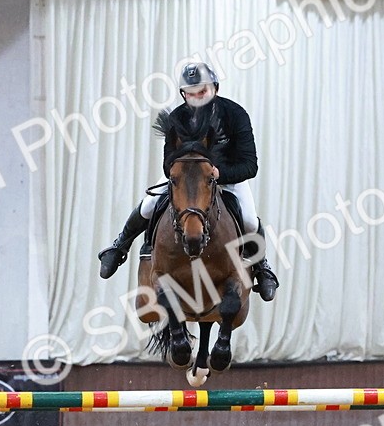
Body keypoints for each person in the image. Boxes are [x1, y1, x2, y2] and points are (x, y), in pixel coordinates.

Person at [97, 62, 279, 301]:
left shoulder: (235, 114)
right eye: (190, 93)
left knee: (249, 220)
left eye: (202, 92)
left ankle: (261, 267)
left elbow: (250, 165)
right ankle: (120, 245)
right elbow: (167, 161)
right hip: (187, 177)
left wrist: (218, 173)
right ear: (183, 93)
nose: (196, 98)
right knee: (149, 205)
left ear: (214, 88)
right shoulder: (177, 117)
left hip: (226, 177)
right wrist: (180, 173)